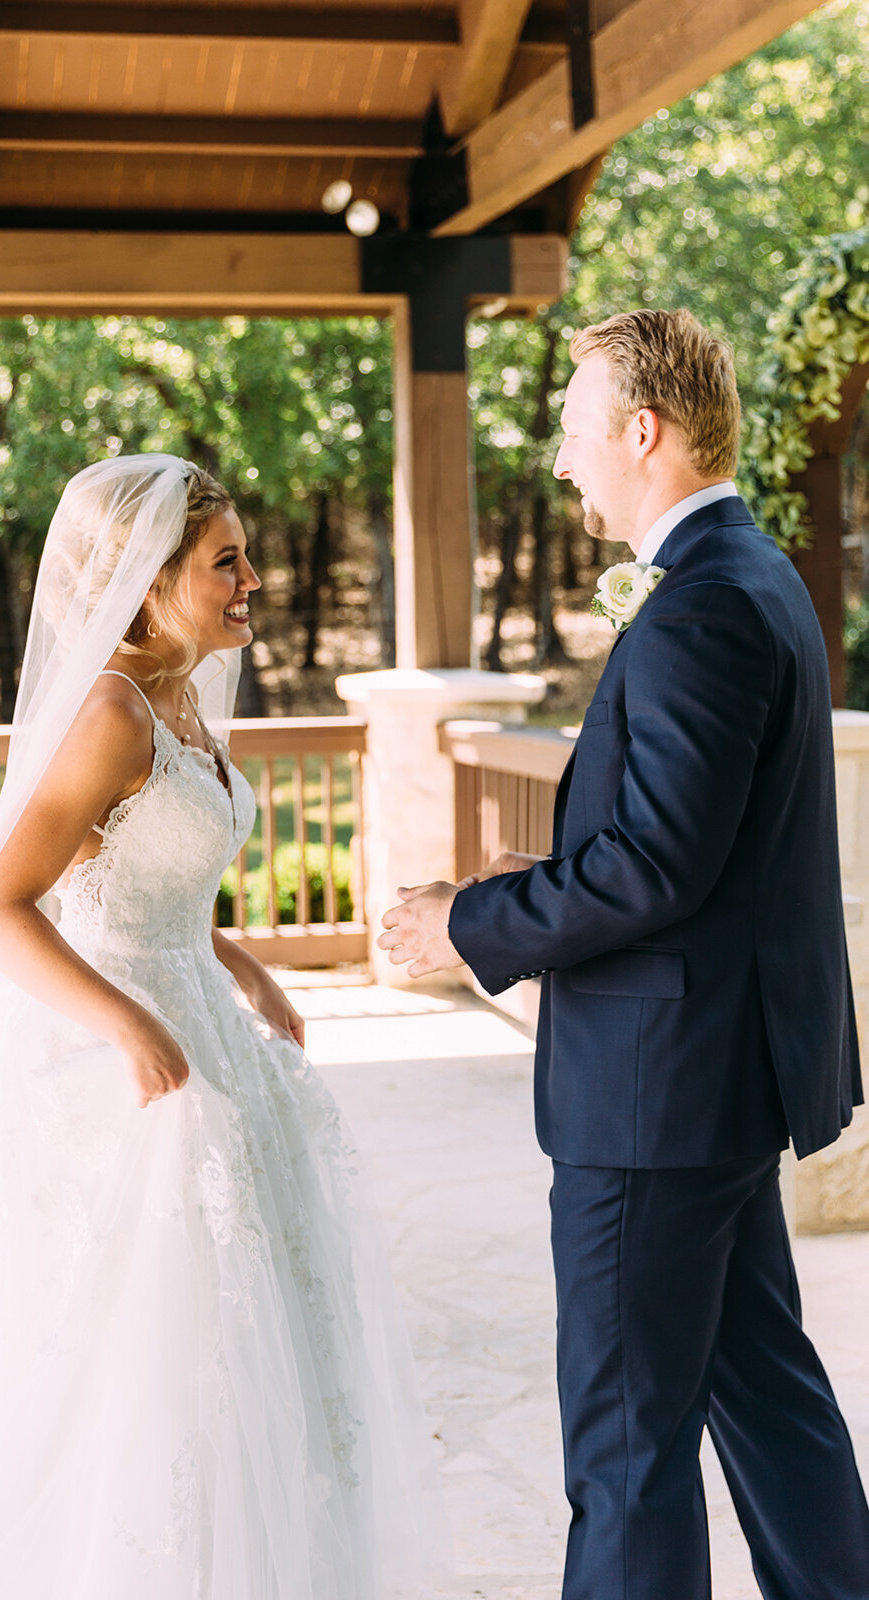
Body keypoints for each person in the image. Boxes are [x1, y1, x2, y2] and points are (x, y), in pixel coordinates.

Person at [0, 455, 435, 1600]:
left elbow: (154, 879)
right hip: (129, 1064)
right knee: (155, 1354)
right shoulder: (107, 707)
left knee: (257, 1337)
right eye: (225, 561)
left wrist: (243, 969)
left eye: (246, 552)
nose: (255, 577)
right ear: (147, 583)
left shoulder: (185, 692)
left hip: (208, 1028)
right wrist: (131, 1028)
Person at [378, 310, 869, 1599]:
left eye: (572, 429)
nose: (558, 459)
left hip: (656, 1094)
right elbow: (686, 843)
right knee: (760, 1391)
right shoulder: (751, 575)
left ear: (641, 432)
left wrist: (461, 927)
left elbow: (654, 868)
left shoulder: (700, 607)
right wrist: (527, 880)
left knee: (625, 1441)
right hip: (714, 1077)